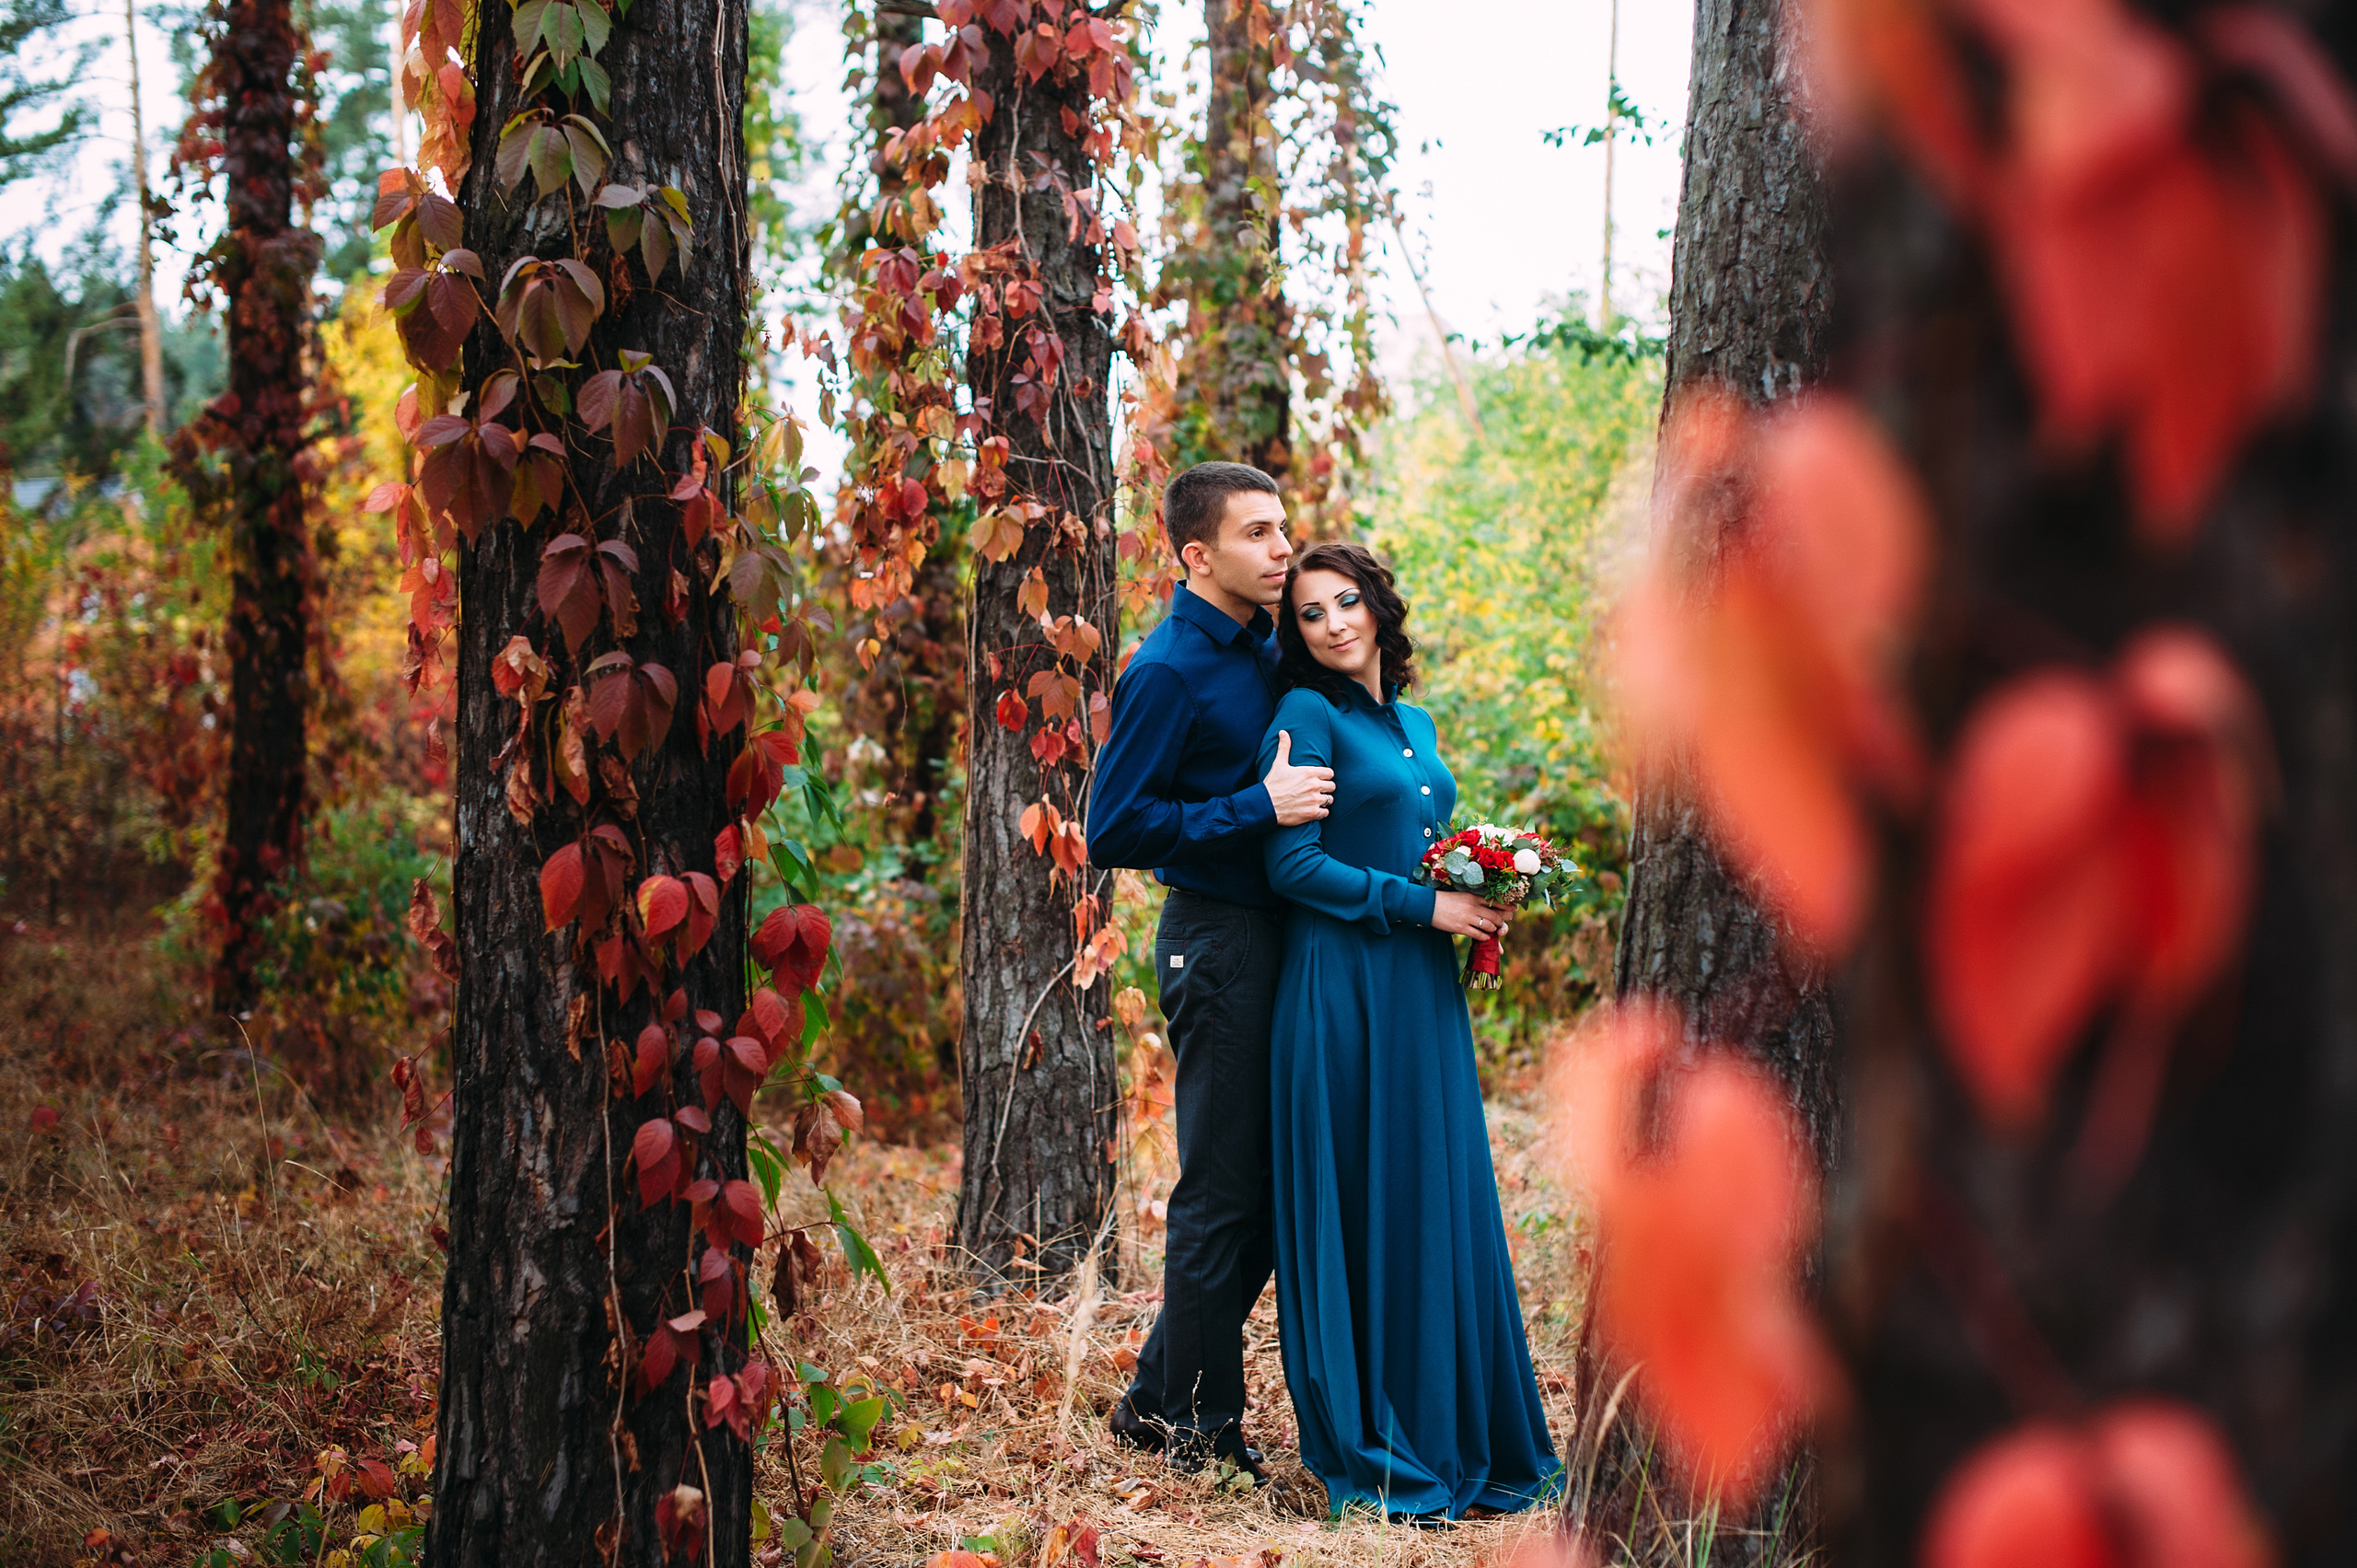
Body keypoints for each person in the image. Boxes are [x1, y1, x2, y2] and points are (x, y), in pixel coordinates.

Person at [1257, 540, 1560, 1520]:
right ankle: (1383, 1440)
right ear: (1296, 633)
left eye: (1347, 601)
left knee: (1431, 1196)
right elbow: (1290, 867)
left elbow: (1413, 836)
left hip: (1421, 994)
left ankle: (1462, 1426)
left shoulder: (1416, 721)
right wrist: (1422, 906)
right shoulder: (1306, 713)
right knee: (1366, 1194)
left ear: (1378, 607)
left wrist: (1474, 885)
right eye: (1311, 612)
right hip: (1343, 986)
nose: (1336, 622)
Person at [1086, 461, 1337, 1480]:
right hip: (1216, 938)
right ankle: (1200, 1426)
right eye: (1259, 533)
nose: (1283, 548)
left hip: (1282, 935)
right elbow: (1113, 826)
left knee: (1275, 1198)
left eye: (1284, 529)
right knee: (1220, 1194)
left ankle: (1157, 1396)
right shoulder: (1166, 669)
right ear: (1198, 554)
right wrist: (1252, 808)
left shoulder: (1273, 646)